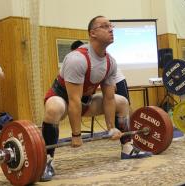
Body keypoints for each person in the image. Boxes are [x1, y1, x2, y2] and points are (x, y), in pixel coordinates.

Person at [41, 16, 152, 182]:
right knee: (54, 108)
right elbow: (74, 101)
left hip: (85, 101)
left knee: (121, 101)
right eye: (105, 26)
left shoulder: (110, 62)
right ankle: (47, 160)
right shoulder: (77, 59)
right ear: (92, 33)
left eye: (111, 26)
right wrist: (76, 134)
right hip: (62, 99)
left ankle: (127, 147)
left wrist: (111, 128)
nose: (111, 29)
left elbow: (108, 98)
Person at [70, 40, 132, 147]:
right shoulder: (79, 62)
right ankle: (122, 138)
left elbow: (109, 87)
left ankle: (126, 141)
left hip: (118, 81)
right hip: (107, 84)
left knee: (122, 107)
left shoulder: (98, 60)